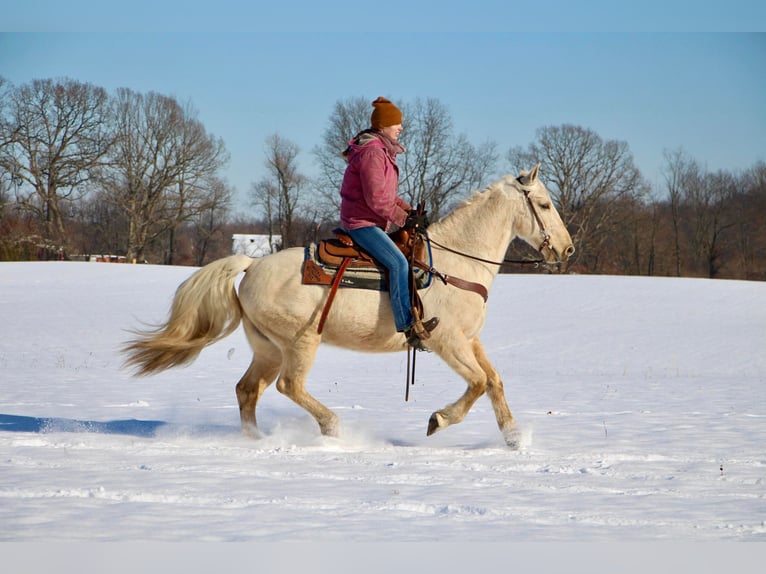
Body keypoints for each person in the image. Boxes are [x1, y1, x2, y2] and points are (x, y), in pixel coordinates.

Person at [339, 97, 438, 351]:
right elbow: (376, 199)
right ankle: (407, 326)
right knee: (398, 263)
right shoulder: (373, 152)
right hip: (361, 223)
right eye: (396, 123)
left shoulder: (381, 151)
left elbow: (389, 195)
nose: (400, 127)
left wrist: (410, 211)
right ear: (383, 125)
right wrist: (404, 220)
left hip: (371, 221)